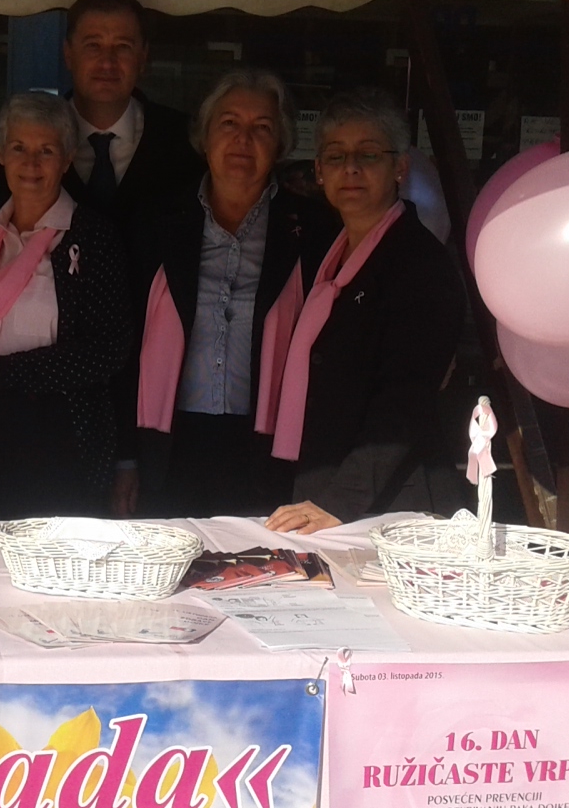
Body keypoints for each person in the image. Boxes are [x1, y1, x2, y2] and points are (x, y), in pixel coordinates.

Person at [136, 69, 338, 517]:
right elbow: (128, 342)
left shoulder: (313, 229)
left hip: (265, 451)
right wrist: (127, 461)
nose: (243, 140)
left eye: (261, 127)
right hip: (170, 447)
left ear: (280, 144)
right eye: (229, 123)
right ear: (205, 136)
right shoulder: (158, 221)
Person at [265, 88, 467, 534]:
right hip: (331, 489)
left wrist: (339, 501)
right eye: (335, 156)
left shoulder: (419, 263)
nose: (350, 168)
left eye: (369, 154)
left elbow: (406, 399)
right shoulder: (329, 251)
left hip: (391, 504)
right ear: (319, 171)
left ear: (400, 168)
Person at [0, 91, 132, 518]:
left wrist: (0, 374)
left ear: (66, 160)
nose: (31, 163)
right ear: (0, 154)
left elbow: (107, 351)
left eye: (46, 151)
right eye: (19, 148)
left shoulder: (94, 237)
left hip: (63, 440)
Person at [60, 0, 204, 514]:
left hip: (158, 389)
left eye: (122, 46)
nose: (107, 61)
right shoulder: (33, 138)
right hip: (56, 398)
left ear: (144, 57)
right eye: (93, 45)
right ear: (68, 54)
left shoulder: (185, 142)